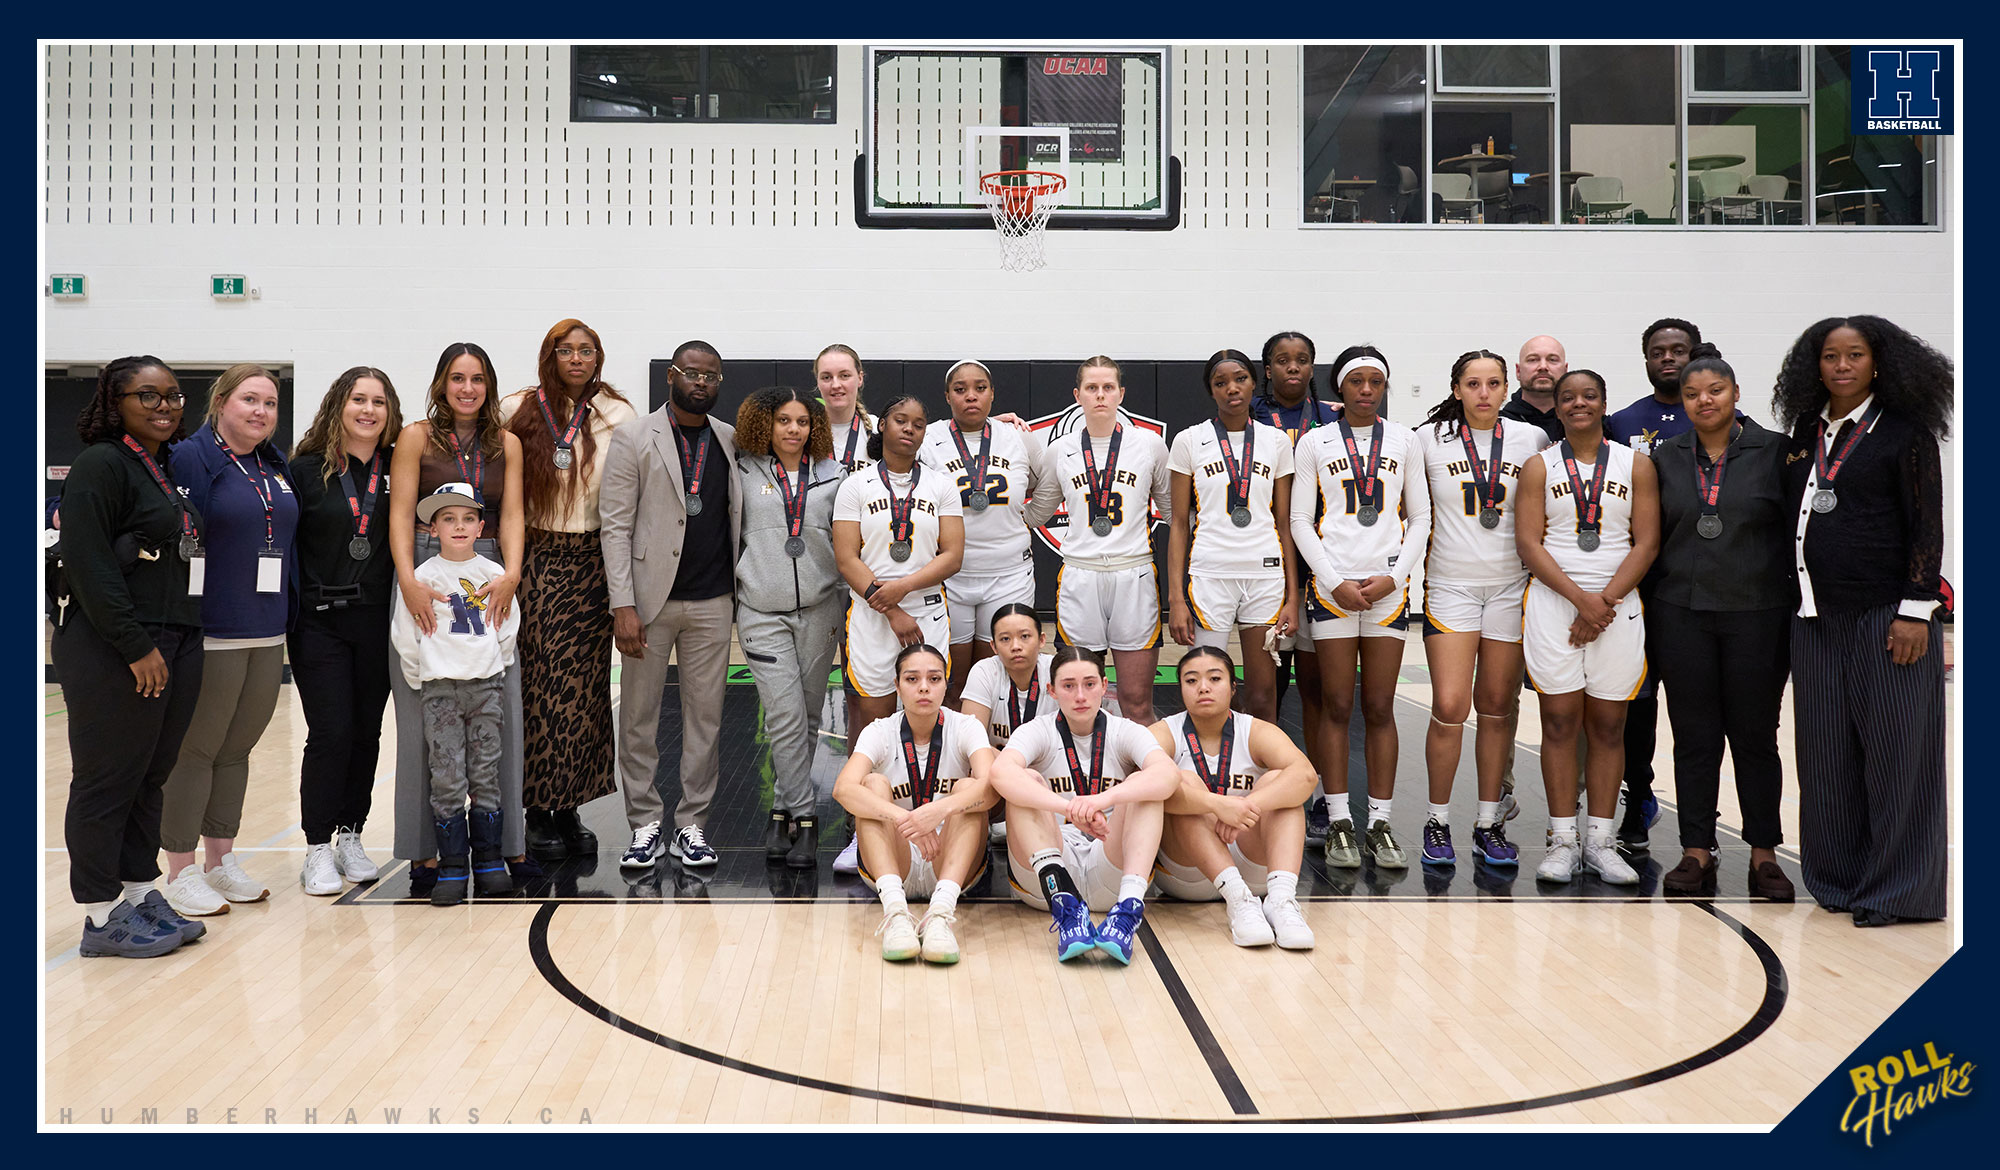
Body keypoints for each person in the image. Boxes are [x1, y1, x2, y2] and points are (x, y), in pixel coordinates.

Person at [1776, 316, 1952, 926]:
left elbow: (1925, 525)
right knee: (1825, 760)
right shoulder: (1804, 432)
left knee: (1898, 760)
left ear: (1880, 363)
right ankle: (1837, 881)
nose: (1842, 366)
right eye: (1830, 356)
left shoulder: (1904, 432)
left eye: (1855, 355)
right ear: (1814, 365)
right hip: (1815, 618)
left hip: (1887, 619)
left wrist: (1916, 609)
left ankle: (1897, 892)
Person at [54, 356, 209, 955]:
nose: (166, 405)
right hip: (115, 646)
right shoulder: (101, 464)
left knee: (151, 777)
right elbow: (89, 565)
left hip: (175, 636)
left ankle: (141, 889)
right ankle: (99, 914)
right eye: (148, 396)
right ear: (114, 401)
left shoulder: (165, 468)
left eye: (172, 395)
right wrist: (135, 645)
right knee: (107, 780)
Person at [1648, 344, 1797, 900]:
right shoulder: (1664, 457)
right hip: (1681, 613)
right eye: (1691, 394)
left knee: (1756, 736)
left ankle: (1764, 855)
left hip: (1757, 613)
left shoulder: (1774, 452)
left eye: (1715, 390)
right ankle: (1696, 850)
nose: (1703, 400)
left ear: (1736, 395)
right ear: (1681, 401)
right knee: (1693, 736)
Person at [388, 342, 528, 896]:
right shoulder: (417, 437)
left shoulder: (507, 442)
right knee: (426, 730)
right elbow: (401, 513)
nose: (466, 388)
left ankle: (499, 851)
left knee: (498, 722)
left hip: (488, 572)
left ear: (489, 385)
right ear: (442, 384)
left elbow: (513, 512)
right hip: (427, 572)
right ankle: (429, 856)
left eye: (476, 379)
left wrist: (512, 574)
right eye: (456, 378)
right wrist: (408, 580)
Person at [160, 363, 299, 918]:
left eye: (269, 403)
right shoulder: (193, 455)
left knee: (237, 747)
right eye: (249, 400)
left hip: (268, 625)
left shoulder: (272, 462)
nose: (261, 411)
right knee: (197, 748)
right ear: (221, 402)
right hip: (212, 625)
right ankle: (181, 868)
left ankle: (221, 860)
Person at [1514, 369, 1659, 885]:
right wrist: (1582, 601)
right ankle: (1561, 840)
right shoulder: (1538, 466)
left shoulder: (1636, 464)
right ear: (1556, 407)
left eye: (1589, 396)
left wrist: (1605, 602)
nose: (1579, 404)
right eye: (1568, 397)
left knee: (1608, 726)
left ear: (1603, 403)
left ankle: (1600, 841)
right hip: (1556, 606)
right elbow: (1530, 544)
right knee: (1557, 723)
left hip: (1618, 607)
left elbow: (1646, 542)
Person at [500, 319, 638, 862]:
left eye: (587, 350)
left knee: (584, 691)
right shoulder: (517, 408)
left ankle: (570, 805)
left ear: (597, 357)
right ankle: (537, 808)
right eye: (566, 350)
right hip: (534, 559)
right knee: (536, 686)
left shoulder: (617, 414)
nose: (576, 359)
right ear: (549, 355)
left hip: (591, 563)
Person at [600, 340, 741, 870]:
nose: (701, 382)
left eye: (711, 375)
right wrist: (622, 604)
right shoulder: (634, 436)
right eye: (692, 373)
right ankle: (643, 823)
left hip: (712, 602)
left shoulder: (729, 440)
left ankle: (692, 825)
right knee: (638, 717)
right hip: (648, 604)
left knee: (705, 718)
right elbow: (615, 527)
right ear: (671, 377)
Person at [1290, 345, 1430, 870]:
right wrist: (1331, 579)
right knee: (1336, 707)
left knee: (1378, 707)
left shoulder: (1405, 440)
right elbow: (1301, 519)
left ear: (1385, 387)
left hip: (1387, 591)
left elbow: (1420, 516)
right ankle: (1339, 820)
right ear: (1339, 388)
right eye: (1357, 381)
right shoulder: (1315, 442)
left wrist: (1395, 577)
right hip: (1332, 590)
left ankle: (1380, 822)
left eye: (1376, 381)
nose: (1367, 390)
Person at [1413, 350, 1552, 868]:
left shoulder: (1530, 439)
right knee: (1450, 707)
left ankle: (1488, 823)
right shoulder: (1427, 440)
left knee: (1496, 707)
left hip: (1511, 587)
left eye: (1494, 383)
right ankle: (1436, 820)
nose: (1485, 393)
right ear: (1456, 389)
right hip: (1450, 586)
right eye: (1473, 383)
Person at [988, 645, 1181, 965]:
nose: (1080, 695)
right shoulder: (1037, 730)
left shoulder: (1125, 730)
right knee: (1026, 781)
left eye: (1090, 684)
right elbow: (1000, 772)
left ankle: (1128, 911)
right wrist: (1068, 809)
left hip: (1111, 865)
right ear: (1052, 691)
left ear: (1105, 687)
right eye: (1068, 686)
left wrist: (1102, 800)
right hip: (1047, 870)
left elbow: (1168, 775)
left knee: (1143, 784)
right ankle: (1065, 907)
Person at [288, 366, 402, 896]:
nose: (369, 410)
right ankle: (315, 845)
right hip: (319, 622)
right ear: (339, 404)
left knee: (367, 732)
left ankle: (351, 834)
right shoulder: (306, 469)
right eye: (359, 399)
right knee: (330, 732)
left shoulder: (398, 466)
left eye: (379, 402)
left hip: (377, 620)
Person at [732, 386, 847, 871]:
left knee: (808, 715)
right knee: (783, 716)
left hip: (821, 609)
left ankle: (781, 810)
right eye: (784, 420)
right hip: (761, 609)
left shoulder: (835, 476)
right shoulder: (741, 470)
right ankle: (805, 819)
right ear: (766, 423)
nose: (793, 429)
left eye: (802, 421)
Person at [1022, 356, 1173, 727]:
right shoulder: (1060, 450)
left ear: (1121, 393)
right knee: (1079, 700)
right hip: (1080, 576)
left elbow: (1174, 513)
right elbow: (1035, 514)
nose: (1100, 395)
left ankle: (1146, 783)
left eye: (1108, 387)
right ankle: (1084, 780)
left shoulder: (1149, 445)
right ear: (1078, 395)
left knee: (1137, 701)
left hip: (1133, 574)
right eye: (1092, 388)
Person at [391, 484, 522, 906]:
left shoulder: (493, 573)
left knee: (485, 774)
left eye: (468, 519)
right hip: (440, 690)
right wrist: (420, 676)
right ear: (433, 527)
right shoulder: (423, 576)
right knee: (447, 777)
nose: (459, 527)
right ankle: (452, 865)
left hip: (485, 687)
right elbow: (404, 631)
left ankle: (487, 861)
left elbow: (508, 622)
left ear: (482, 527)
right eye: (449, 519)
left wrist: (494, 665)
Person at [1603, 317, 1705, 852]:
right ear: (1645, 360)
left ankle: (1699, 822)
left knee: (1693, 709)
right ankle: (1636, 799)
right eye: (1658, 351)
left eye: (1678, 350)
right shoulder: (1621, 422)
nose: (1668, 358)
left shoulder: (1722, 419)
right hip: (1636, 589)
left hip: (1698, 588)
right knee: (1634, 706)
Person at [833, 643, 997, 964]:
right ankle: (896, 915)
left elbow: (991, 789)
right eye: (912, 679)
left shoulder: (965, 726)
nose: (923, 687)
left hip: (951, 861)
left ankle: (940, 916)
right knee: (872, 785)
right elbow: (843, 789)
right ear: (897, 686)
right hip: (895, 859)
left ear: (946, 683)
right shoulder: (879, 731)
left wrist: (939, 810)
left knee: (969, 788)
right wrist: (904, 819)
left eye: (934, 679)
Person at [1166, 349, 1300, 721]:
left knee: (1262, 695)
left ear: (1255, 383)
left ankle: (1264, 776)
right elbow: (1178, 522)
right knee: (1206, 692)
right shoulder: (1189, 440)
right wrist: (1176, 599)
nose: (1232, 389)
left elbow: (1284, 522)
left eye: (1240, 379)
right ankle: (1204, 776)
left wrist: (1292, 596)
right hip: (1210, 575)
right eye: (1220, 383)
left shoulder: (1276, 442)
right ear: (1211, 391)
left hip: (1264, 575)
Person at [1152, 646, 1317, 949]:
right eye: (1191, 681)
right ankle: (1238, 900)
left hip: (1249, 860)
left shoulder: (1253, 729)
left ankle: (1281, 900)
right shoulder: (1165, 733)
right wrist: (1218, 805)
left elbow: (1306, 776)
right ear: (1181, 690)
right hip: (1187, 873)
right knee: (1182, 781)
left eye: (1214, 678)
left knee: (1279, 781)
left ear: (1232, 686)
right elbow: (1146, 788)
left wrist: (1247, 807)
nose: (1203, 687)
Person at [920, 359, 1060, 708]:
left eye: (980, 388)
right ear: (947, 396)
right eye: (960, 389)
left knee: (994, 677)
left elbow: (1049, 483)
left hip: (1008, 573)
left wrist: (1028, 517)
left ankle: (992, 756)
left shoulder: (1017, 438)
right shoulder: (930, 438)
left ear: (992, 394)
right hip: (950, 576)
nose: (971, 396)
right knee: (951, 681)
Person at [833, 394, 965, 727]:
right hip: (873, 613)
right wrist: (892, 609)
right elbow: (846, 559)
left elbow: (952, 556)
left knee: (924, 715)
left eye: (918, 425)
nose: (910, 429)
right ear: (882, 425)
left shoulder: (942, 486)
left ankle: (921, 781)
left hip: (926, 609)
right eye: (901, 420)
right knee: (873, 719)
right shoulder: (854, 486)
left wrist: (903, 587)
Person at [1255, 331, 1340, 839]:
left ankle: (1323, 798)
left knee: (1317, 690)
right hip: (1267, 566)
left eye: (1302, 360)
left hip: (1320, 567)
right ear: (1267, 368)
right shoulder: (1251, 419)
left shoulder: (1332, 420)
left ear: (1313, 367)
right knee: (1269, 686)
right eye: (1282, 361)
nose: (1292, 368)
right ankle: (1267, 788)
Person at [959, 603, 1057, 751]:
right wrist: (1012, 768)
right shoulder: (984, 671)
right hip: (997, 769)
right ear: (993, 646)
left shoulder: (1057, 671)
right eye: (1005, 639)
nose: (1016, 646)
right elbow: (970, 742)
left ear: (1041, 640)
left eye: (1025, 636)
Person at [817, 343, 874, 474]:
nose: (836, 385)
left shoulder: (879, 431)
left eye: (844, 376)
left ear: (860, 378)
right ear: (818, 382)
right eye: (827, 377)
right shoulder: (803, 432)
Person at [1501, 335, 1567, 442]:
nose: (1543, 366)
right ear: (1518, 371)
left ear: (1565, 370)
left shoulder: (1580, 421)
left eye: (1552, 360)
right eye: (1533, 360)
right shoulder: (1500, 423)